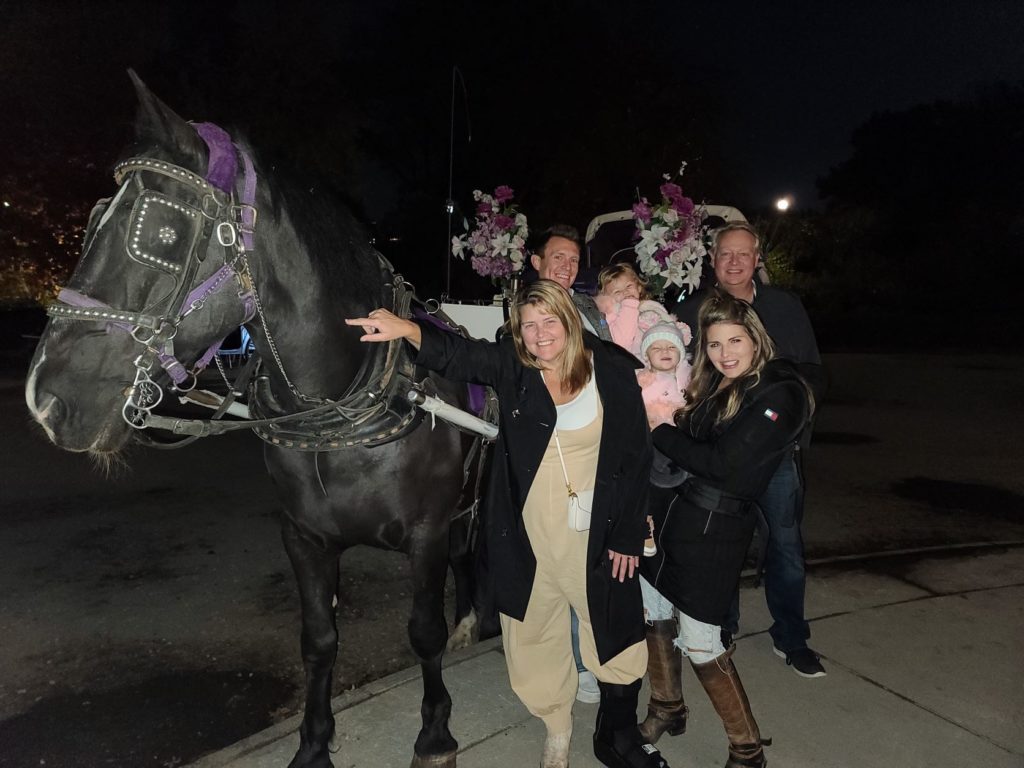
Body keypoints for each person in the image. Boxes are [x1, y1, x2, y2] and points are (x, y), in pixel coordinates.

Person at [346, 280, 668, 768]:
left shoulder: (612, 372)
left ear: (570, 321)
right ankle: (557, 731)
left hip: (597, 533)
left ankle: (617, 733)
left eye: (549, 323)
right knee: (535, 635)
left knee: (614, 628)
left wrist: (626, 533)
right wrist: (406, 328)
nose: (539, 336)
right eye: (528, 325)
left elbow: (636, 457)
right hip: (528, 534)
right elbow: (459, 355)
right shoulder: (515, 368)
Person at [640, 290, 814, 767]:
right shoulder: (718, 384)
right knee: (653, 611)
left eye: (735, 340)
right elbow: (684, 455)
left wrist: (659, 427)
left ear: (756, 337)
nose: (725, 353)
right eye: (714, 344)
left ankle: (747, 747)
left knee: (701, 640)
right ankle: (667, 707)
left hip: (716, 528)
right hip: (674, 515)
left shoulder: (781, 391)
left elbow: (724, 465)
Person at [673, 222, 827, 679]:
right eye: (726, 254)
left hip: (775, 455)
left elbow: (813, 374)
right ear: (712, 259)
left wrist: (789, 423)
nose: (735, 262)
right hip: (717, 457)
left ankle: (791, 636)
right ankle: (722, 626)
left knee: (784, 544)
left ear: (757, 258)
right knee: (720, 545)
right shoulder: (688, 311)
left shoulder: (785, 307)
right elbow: (671, 377)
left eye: (744, 254)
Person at [530, 224, 612, 341]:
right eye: (558, 257)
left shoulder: (588, 304)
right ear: (537, 262)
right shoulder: (526, 308)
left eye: (573, 260)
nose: (567, 267)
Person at [594, 264, 681, 361]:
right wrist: (629, 305)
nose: (625, 292)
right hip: (633, 367)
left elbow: (667, 325)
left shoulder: (650, 306)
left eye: (629, 286)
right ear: (608, 298)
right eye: (617, 292)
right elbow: (621, 344)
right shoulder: (610, 316)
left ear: (638, 287)